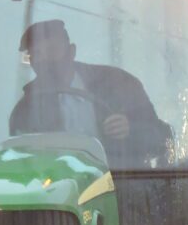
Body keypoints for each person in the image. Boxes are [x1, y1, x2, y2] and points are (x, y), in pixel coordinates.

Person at [9, 19, 172, 167]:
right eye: (36, 55)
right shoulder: (26, 110)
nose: (44, 60)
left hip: (124, 189)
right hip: (61, 194)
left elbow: (163, 139)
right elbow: (21, 162)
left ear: (71, 51)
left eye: (52, 50)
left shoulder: (119, 84)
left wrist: (131, 129)